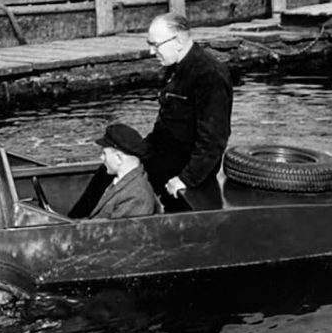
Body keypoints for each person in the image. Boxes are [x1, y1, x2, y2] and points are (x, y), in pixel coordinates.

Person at [142, 13, 233, 208]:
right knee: (113, 158)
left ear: (177, 42)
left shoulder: (209, 74)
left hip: (185, 165)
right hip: (165, 152)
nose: (151, 51)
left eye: (155, 45)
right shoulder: (175, 67)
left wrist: (186, 179)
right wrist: (136, 150)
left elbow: (213, 140)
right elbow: (166, 124)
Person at [87, 123, 160, 219]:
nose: (101, 158)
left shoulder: (136, 196)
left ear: (118, 158)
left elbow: (120, 228)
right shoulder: (124, 183)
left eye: (104, 154)